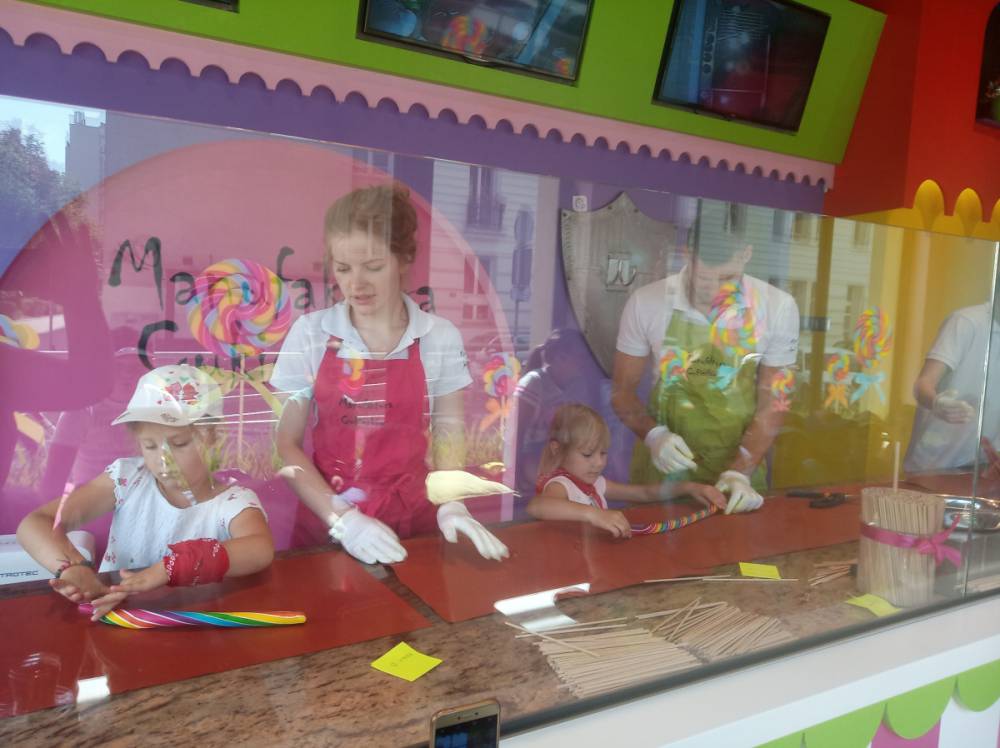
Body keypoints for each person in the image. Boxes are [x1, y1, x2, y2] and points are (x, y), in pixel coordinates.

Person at [271, 182, 508, 565]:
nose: (356, 284)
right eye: (343, 268)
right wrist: (342, 520)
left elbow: (449, 432)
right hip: (329, 521)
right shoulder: (311, 334)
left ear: (403, 260)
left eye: (374, 267)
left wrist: (452, 504)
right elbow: (286, 444)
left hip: (413, 517)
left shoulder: (438, 336)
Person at [16, 364, 274, 620]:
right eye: (150, 446)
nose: (163, 461)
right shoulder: (128, 479)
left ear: (213, 437)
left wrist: (170, 568)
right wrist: (72, 567)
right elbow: (36, 523)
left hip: (193, 627)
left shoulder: (233, 502)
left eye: (179, 443)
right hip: (116, 620)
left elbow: (259, 549)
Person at [611, 203, 799, 514]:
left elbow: (774, 402)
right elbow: (622, 393)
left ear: (746, 255)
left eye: (727, 279)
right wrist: (654, 436)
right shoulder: (647, 303)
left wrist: (740, 471)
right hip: (663, 474)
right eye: (704, 279)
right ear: (687, 254)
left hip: (739, 471)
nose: (714, 291)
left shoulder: (777, 308)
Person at [527, 404, 726, 537]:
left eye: (603, 453)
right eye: (587, 455)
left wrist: (690, 488)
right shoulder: (561, 485)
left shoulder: (595, 484)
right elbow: (537, 506)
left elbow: (644, 493)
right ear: (557, 449)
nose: (598, 463)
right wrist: (594, 515)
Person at [904, 302, 1000, 474]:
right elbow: (922, 385)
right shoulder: (966, 321)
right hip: (934, 465)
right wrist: (937, 403)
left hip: (981, 468)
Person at [512, 328, 601, 497]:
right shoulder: (534, 382)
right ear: (560, 358)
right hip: (532, 454)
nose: (583, 363)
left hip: (562, 453)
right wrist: (515, 473)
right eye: (579, 358)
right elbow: (517, 432)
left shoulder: (577, 385)